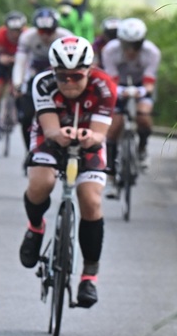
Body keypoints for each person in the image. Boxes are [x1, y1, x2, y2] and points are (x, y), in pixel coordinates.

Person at [18, 36, 116, 308]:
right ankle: (35, 227)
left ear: (89, 70)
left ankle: (89, 277)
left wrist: (89, 137)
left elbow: (99, 134)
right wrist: (59, 134)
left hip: (89, 138)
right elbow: (49, 130)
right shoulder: (43, 83)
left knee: (91, 200)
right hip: (52, 134)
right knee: (41, 182)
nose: (69, 83)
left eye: (76, 76)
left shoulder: (104, 86)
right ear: (53, 71)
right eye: (63, 77)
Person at [101, 17, 160, 196]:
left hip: (142, 87)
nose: (131, 50)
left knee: (144, 117)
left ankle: (142, 149)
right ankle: (110, 178)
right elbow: (111, 78)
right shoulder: (110, 50)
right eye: (127, 44)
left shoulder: (152, 52)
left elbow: (150, 81)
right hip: (117, 86)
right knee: (113, 129)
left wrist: (141, 92)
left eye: (136, 45)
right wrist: (120, 91)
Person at [12, 8, 73, 150]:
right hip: (35, 74)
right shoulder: (27, 37)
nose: (45, 36)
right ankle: (30, 150)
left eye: (49, 32)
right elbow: (20, 62)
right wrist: (17, 83)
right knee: (26, 117)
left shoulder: (65, 37)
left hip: (59, 73)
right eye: (42, 31)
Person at [0, 10, 27, 139]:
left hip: (19, 62)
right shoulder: (0, 34)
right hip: (3, 62)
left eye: (18, 31)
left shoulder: (26, 35)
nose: (15, 34)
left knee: (19, 89)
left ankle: (20, 113)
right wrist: (3, 58)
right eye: (12, 31)